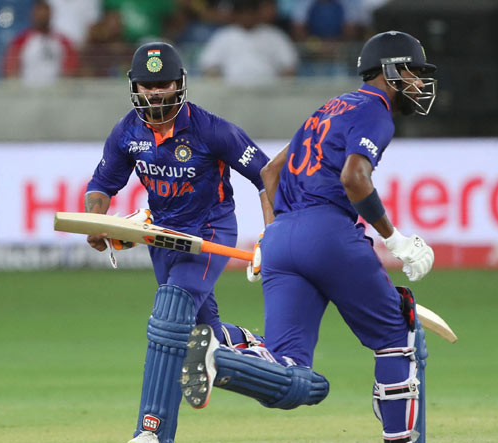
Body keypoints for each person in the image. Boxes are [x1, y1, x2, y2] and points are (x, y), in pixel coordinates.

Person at [180, 30, 437, 442]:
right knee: (397, 335)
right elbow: (354, 177)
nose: (421, 84)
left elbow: (269, 173)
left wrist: (269, 238)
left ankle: (221, 354)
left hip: (281, 239)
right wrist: (396, 239)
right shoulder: (376, 111)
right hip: (328, 233)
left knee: (289, 372)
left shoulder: (327, 109)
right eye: (416, 73)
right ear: (391, 71)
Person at [83, 41, 273, 443]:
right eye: (146, 85)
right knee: (198, 334)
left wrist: (271, 234)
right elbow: (102, 183)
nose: (155, 92)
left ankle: (150, 431)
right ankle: (254, 350)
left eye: (163, 83)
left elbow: (267, 175)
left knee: (170, 317)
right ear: (135, 87)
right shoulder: (127, 132)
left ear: (179, 84)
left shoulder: (211, 129)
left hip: (209, 232)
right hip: (162, 238)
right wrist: (96, 221)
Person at [197, 0, 298, 86]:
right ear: (236, 14)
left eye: (251, 12)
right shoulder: (224, 36)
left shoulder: (274, 36)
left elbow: (289, 67)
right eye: (243, 13)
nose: (247, 17)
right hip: (232, 93)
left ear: (257, 13)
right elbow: (208, 67)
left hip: (268, 93)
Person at [2, 0, 79, 87]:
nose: (42, 16)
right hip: (27, 94)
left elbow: (71, 69)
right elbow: (10, 70)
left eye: (45, 13)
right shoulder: (20, 41)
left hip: (56, 95)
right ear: (32, 14)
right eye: (39, 12)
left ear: (51, 14)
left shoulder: (63, 42)